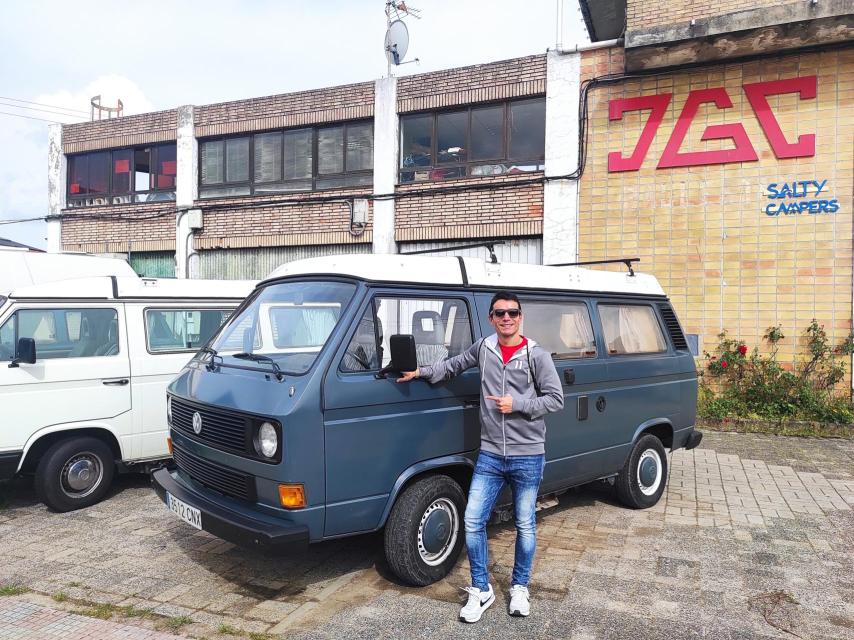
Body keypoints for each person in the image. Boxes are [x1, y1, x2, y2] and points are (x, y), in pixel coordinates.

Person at [397, 291, 563, 622]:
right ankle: (482, 589)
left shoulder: (536, 355)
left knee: (525, 524)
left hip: (527, 455)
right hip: (490, 455)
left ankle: (519, 587)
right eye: (500, 313)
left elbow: (556, 399)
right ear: (491, 318)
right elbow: (452, 366)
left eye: (512, 313)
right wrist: (419, 373)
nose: (506, 318)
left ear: (521, 317)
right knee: (473, 521)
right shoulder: (484, 348)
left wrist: (517, 405)